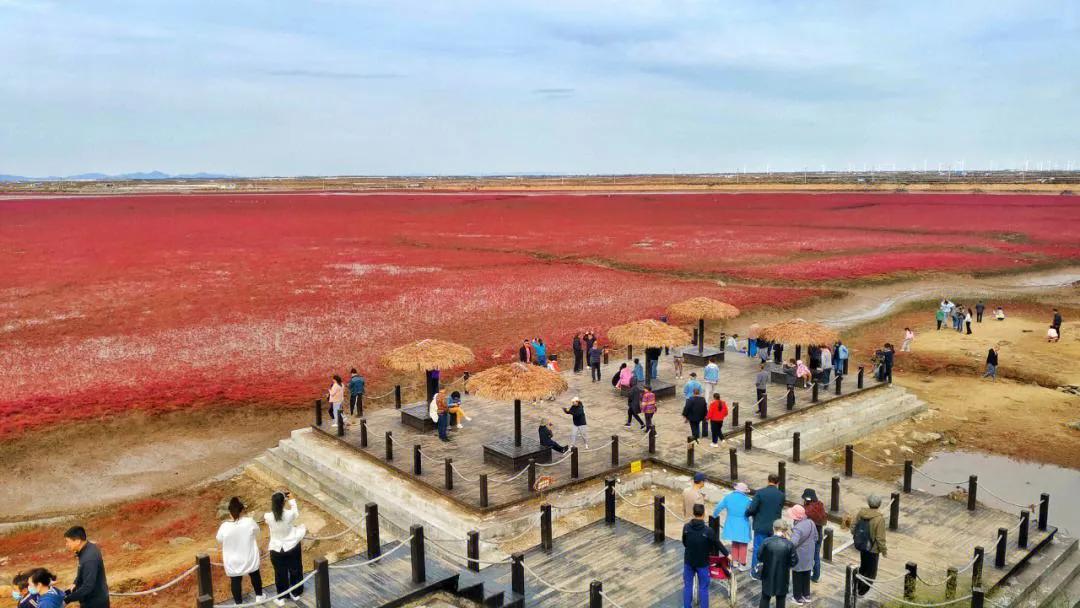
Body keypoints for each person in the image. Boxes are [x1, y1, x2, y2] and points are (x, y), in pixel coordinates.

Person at [217, 498, 265, 605]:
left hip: (233, 560)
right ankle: (259, 596)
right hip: (249, 556)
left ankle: (239, 603)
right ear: (242, 510)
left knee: (235, 580)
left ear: (229, 512)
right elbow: (258, 533)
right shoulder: (250, 522)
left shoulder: (224, 526)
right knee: (255, 574)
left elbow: (219, 539)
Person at [682, 503, 728, 608]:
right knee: (703, 588)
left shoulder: (686, 527)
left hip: (688, 561)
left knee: (688, 586)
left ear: (693, 513)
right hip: (702, 563)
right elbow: (718, 544)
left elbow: (684, 542)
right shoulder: (708, 531)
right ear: (703, 514)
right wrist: (727, 554)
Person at [265, 491, 306, 606]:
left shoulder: (268, 516)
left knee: (279, 573)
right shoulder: (289, 515)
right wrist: (292, 500)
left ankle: (281, 596)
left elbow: (271, 518)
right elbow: (296, 514)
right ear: (284, 502)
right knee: (295, 569)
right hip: (291, 546)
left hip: (276, 549)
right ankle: (296, 592)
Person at [747, 473, 785, 577]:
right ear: (778, 483)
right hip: (774, 527)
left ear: (768, 480)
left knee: (758, 549)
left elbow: (752, 509)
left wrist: (747, 514)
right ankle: (770, 572)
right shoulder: (781, 495)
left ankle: (755, 573)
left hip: (760, 525)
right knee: (772, 550)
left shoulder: (760, 493)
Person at [62, 526, 109, 608]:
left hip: (94, 603)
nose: (66, 544)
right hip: (93, 598)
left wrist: (67, 600)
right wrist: (75, 583)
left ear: (77, 541)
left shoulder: (89, 558)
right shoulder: (87, 548)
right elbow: (82, 571)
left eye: (67, 541)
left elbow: (87, 587)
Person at [757, 520, 797, 608]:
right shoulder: (789, 544)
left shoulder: (766, 541)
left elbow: (759, 557)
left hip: (768, 574)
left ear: (773, 528)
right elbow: (794, 561)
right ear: (785, 530)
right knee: (781, 599)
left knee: (765, 597)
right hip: (783, 576)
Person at [713, 483, 752, 571]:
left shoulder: (728, 497)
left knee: (734, 542)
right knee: (743, 543)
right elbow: (753, 511)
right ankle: (742, 562)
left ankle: (734, 561)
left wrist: (714, 515)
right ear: (744, 491)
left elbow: (719, 507)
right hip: (743, 522)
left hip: (732, 522)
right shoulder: (748, 500)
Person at [854, 495, 888, 596]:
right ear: (879, 504)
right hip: (873, 549)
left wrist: (856, 536)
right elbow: (880, 538)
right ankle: (861, 592)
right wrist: (884, 551)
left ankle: (856, 586)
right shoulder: (879, 519)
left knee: (863, 567)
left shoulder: (861, 513)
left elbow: (854, 526)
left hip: (862, 545)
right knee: (871, 573)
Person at [789, 505, 818, 604]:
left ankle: (798, 597)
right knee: (806, 574)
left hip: (799, 556)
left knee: (797, 575)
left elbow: (793, 543)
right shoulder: (811, 522)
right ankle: (806, 595)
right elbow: (816, 537)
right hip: (809, 554)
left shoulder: (797, 528)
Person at [801, 489, 828, 583]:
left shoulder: (807, 510)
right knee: (816, 556)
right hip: (819, 535)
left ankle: (806, 574)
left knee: (807, 556)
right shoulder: (820, 506)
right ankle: (816, 576)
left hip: (809, 536)